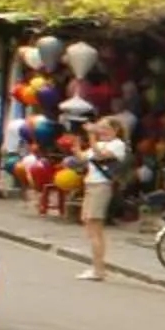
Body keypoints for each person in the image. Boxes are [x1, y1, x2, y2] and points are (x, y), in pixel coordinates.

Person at [68, 104, 128, 281]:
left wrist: (91, 137)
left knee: (95, 228)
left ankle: (98, 270)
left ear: (115, 130)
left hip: (101, 186)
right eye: (100, 127)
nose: (101, 130)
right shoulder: (99, 143)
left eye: (104, 127)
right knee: (89, 225)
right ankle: (96, 267)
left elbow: (101, 156)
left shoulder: (118, 145)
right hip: (90, 185)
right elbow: (83, 159)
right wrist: (77, 146)